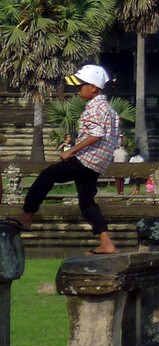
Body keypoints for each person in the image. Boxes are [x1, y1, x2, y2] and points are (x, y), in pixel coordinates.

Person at [4, 65, 121, 254]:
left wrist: (71, 151)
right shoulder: (108, 109)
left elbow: (97, 134)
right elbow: (113, 135)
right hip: (99, 162)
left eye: (81, 86)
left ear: (93, 88)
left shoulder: (95, 108)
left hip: (86, 159)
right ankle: (106, 242)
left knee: (47, 175)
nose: (78, 90)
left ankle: (26, 216)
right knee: (87, 201)